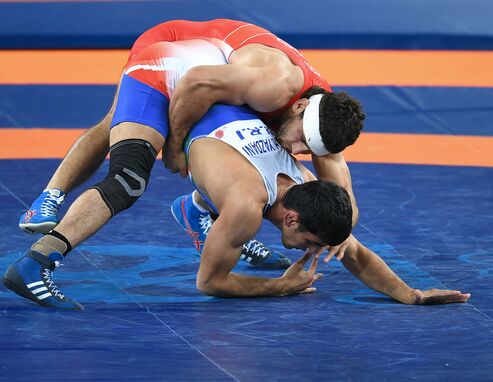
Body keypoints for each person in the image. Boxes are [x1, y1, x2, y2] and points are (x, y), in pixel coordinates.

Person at [4, 103, 470, 307]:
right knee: (125, 178)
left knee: (218, 196)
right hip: (176, 93)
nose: (305, 251)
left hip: (224, 120)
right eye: (307, 243)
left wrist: (410, 293)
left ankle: (199, 208)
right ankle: (39, 254)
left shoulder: (308, 187)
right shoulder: (249, 206)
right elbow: (209, 282)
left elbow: (354, 251)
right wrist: (278, 288)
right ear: (290, 217)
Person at [18, 19, 366, 268]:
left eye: (309, 148)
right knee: (117, 127)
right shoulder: (272, 85)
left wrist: (339, 232)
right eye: (301, 139)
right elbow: (195, 84)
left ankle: (201, 211)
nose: (297, 148)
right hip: (178, 50)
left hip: (215, 74)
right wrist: (174, 146)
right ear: (299, 107)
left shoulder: (326, 121)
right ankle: (50, 195)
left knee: (262, 165)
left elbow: (342, 192)